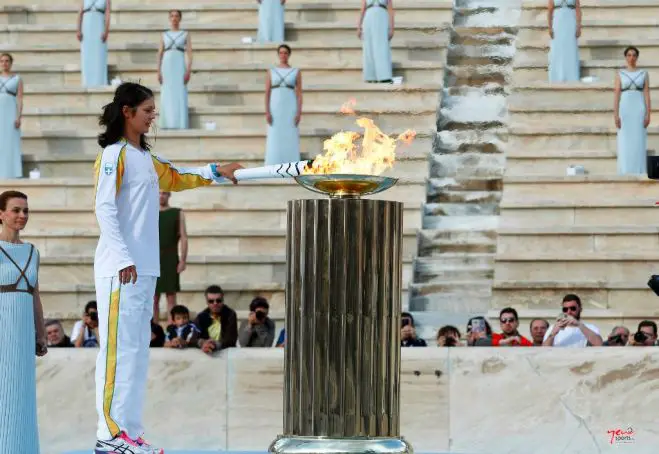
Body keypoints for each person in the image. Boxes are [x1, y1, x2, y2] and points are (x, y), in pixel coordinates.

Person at [91, 81, 243, 454]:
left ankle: (129, 431)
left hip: (145, 269)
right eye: (147, 111)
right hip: (119, 267)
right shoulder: (115, 155)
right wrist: (124, 257)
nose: (152, 116)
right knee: (117, 350)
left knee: (138, 350)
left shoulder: (145, 157)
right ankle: (108, 434)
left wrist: (217, 171)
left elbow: (179, 175)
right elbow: (104, 208)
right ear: (127, 112)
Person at [0, 190, 47, 454]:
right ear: (1, 214)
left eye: (25, 210)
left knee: (21, 396)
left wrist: (40, 333)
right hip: (1, 328)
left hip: (21, 334)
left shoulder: (32, 251)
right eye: (16, 210)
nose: (22, 215)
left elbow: (35, 295)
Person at [614, 46, 650, 175]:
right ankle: (625, 168)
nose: (631, 58)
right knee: (625, 139)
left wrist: (648, 114)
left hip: (639, 108)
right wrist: (615, 115)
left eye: (634, 55)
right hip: (625, 108)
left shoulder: (644, 73)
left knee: (638, 139)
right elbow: (617, 94)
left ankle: (638, 169)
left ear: (637, 57)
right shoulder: (620, 73)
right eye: (629, 55)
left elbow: (646, 94)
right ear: (625, 57)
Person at [265, 44, 301, 165]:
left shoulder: (295, 71)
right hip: (275, 106)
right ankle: (273, 162)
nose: (283, 55)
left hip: (290, 106)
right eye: (281, 53)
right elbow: (267, 92)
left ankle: (291, 163)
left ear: (289, 54)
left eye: (285, 53)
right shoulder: (271, 71)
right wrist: (267, 111)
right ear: (278, 54)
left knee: (290, 134)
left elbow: (299, 94)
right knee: (275, 134)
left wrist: (299, 113)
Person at [153, 191, 187, 321]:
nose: (161, 196)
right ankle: (154, 332)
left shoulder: (177, 213)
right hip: (152, 259)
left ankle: (172, 330)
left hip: (170, 257)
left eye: (165, 193)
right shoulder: (149, 212)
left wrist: (183, 260)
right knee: (153, 298)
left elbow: (184, 237)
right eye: (159, 193)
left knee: (171, 296)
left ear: (169, 195)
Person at [157, 9, 191, 129]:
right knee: (167, 93)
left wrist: (188, 70)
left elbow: (190, 54)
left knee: (179, 93)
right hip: (167, 66)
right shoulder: (164, 34)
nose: (174, 18)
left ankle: (180, 123)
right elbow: (160, 53)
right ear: (169, 18)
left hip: (179, 65)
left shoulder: (185, 34)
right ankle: (166, 123)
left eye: (176, 16)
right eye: (172, 16)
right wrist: (158, 71)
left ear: (180, 18)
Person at [358, 0, 394, 83]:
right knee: (369, 47)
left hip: (382, 17)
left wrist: (392, 28)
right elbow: (362, 9)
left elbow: (391, 10)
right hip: (368, 18)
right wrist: (358, 26)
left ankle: (384, 75)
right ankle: (370, 76)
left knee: (382, 46)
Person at [0, 53, 23, 179]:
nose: (4, 63)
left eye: (7, 61)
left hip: (10, 113)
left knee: (10, 142)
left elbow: (19, 98)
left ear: (11, 63)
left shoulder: (17, 79)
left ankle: (12, 172)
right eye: (2, 61)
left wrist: (18, 116)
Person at [77, 0, 110, 87]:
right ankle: (87, 81)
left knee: (99, 55)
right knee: (87, 54)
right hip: (86, 28)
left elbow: (107, 13)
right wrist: (78, 30)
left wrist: (106, 31)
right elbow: (80, 13)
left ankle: (100, 81)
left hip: (99, 27)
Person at [547, 0, 581, 82]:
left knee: (570, 48)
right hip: (558, 23)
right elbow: (550, 11)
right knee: (557, 48)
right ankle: (556, 76)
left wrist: (578, 26)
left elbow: (578, 10)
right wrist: (550, 27)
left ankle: (571, 76)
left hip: (570, 22)